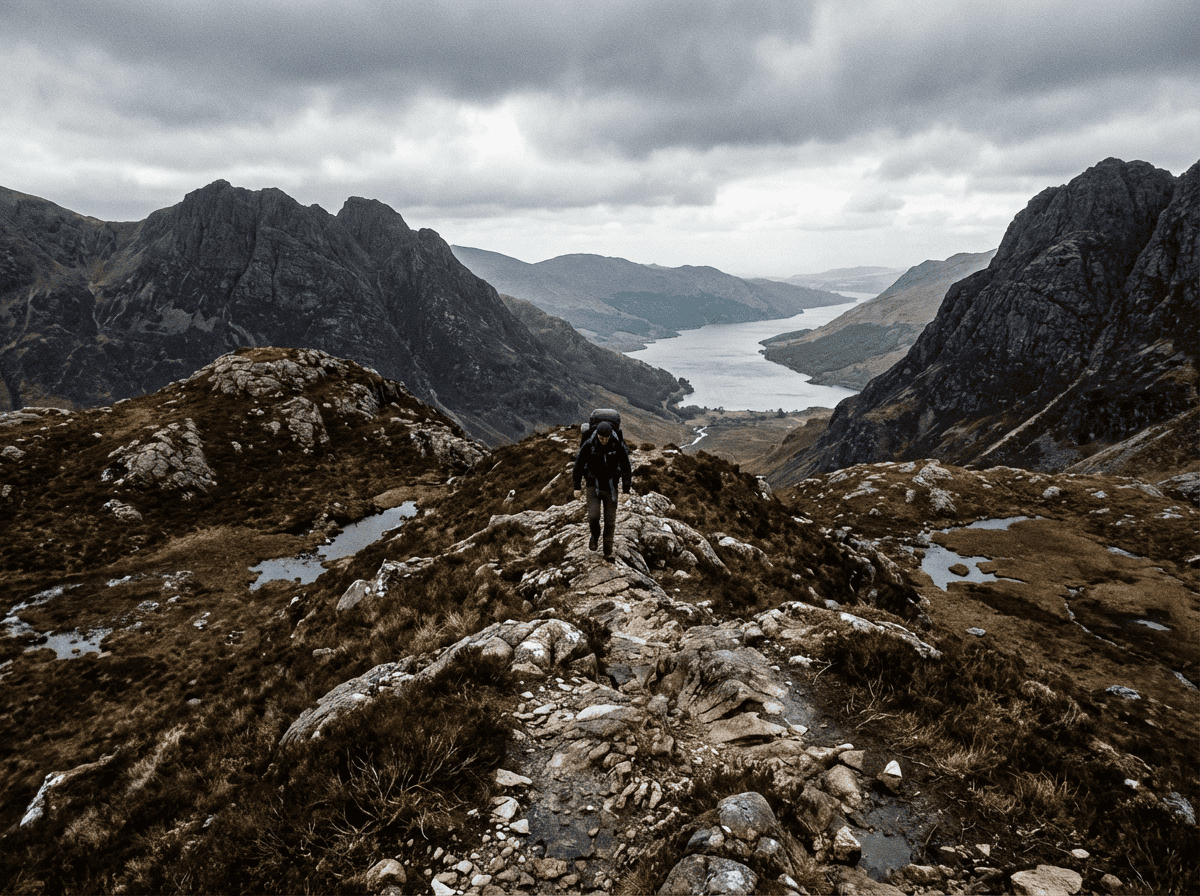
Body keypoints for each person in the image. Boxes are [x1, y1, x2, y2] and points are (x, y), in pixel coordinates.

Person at [572, 421, 632, 560]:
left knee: (610, 521)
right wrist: (577, 487)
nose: (604, 440)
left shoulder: (617, 445)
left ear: (610, 435)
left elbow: (626, 467)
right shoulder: (589, 445)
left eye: (606, 438)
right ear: (597, 435)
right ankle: (595, 535)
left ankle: (608, 551)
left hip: (611, 487)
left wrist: (626, 490)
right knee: (594, 516)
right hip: (593, 485)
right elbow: (578, 466)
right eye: (601, 438)